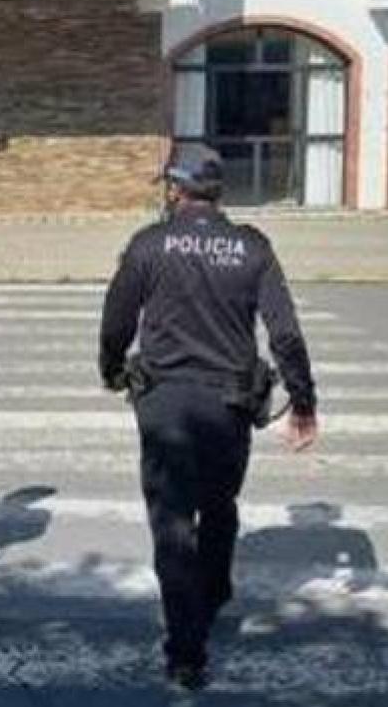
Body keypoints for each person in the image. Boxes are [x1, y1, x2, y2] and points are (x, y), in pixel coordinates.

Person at [98, 143, 319, 691]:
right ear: (217, 191)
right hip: (229, 405)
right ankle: (213, 594)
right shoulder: (252, 247)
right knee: (220, 505)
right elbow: (285, 333)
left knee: (172, 521)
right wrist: (304, 402)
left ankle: (186, 652)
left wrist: (111, 368)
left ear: (176, 189)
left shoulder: (148, 244)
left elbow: (116, 319)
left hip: (165, 403)